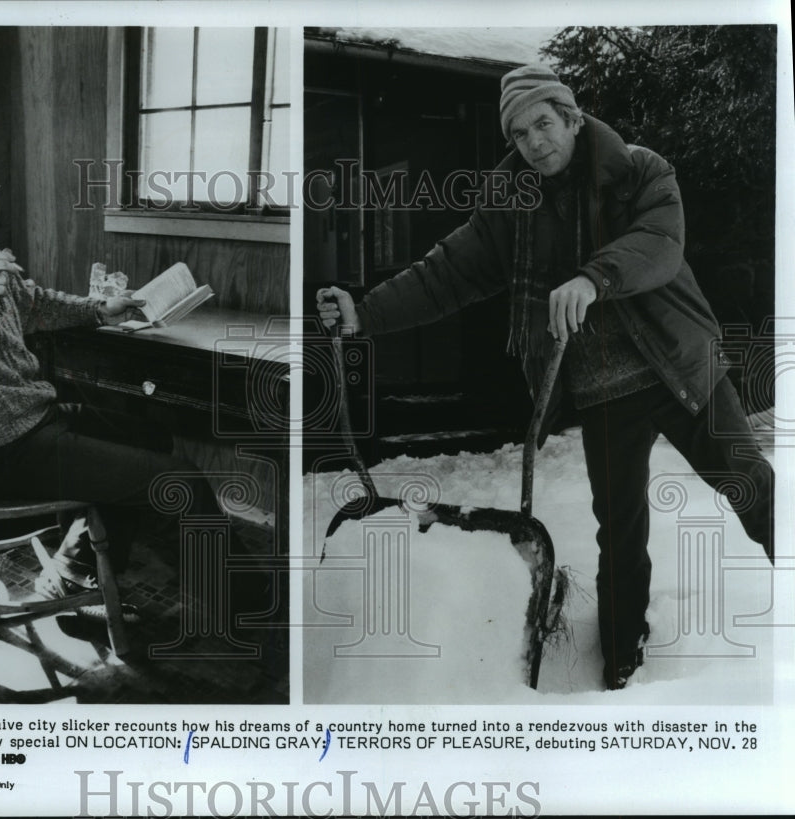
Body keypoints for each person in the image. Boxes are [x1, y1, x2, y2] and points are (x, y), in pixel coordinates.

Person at [317, 64, 774, 690]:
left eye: (543, 123)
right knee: (620, 536)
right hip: (604, 391)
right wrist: (363, 311)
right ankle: (620, 667)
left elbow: (660, 243)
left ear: (572, 118)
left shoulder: (641, 170)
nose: (535, 142)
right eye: (521, 133)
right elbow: (445, 273)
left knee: (751, 485)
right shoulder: (510, 205)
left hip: (678, 364)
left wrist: (594, 276)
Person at [0, 130, 259, 631]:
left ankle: (74, 571)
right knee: (180, 482)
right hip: (1, 451)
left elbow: (36, 304)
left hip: (35, 422)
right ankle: (252, 608)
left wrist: (100, 310)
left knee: (151, 434)